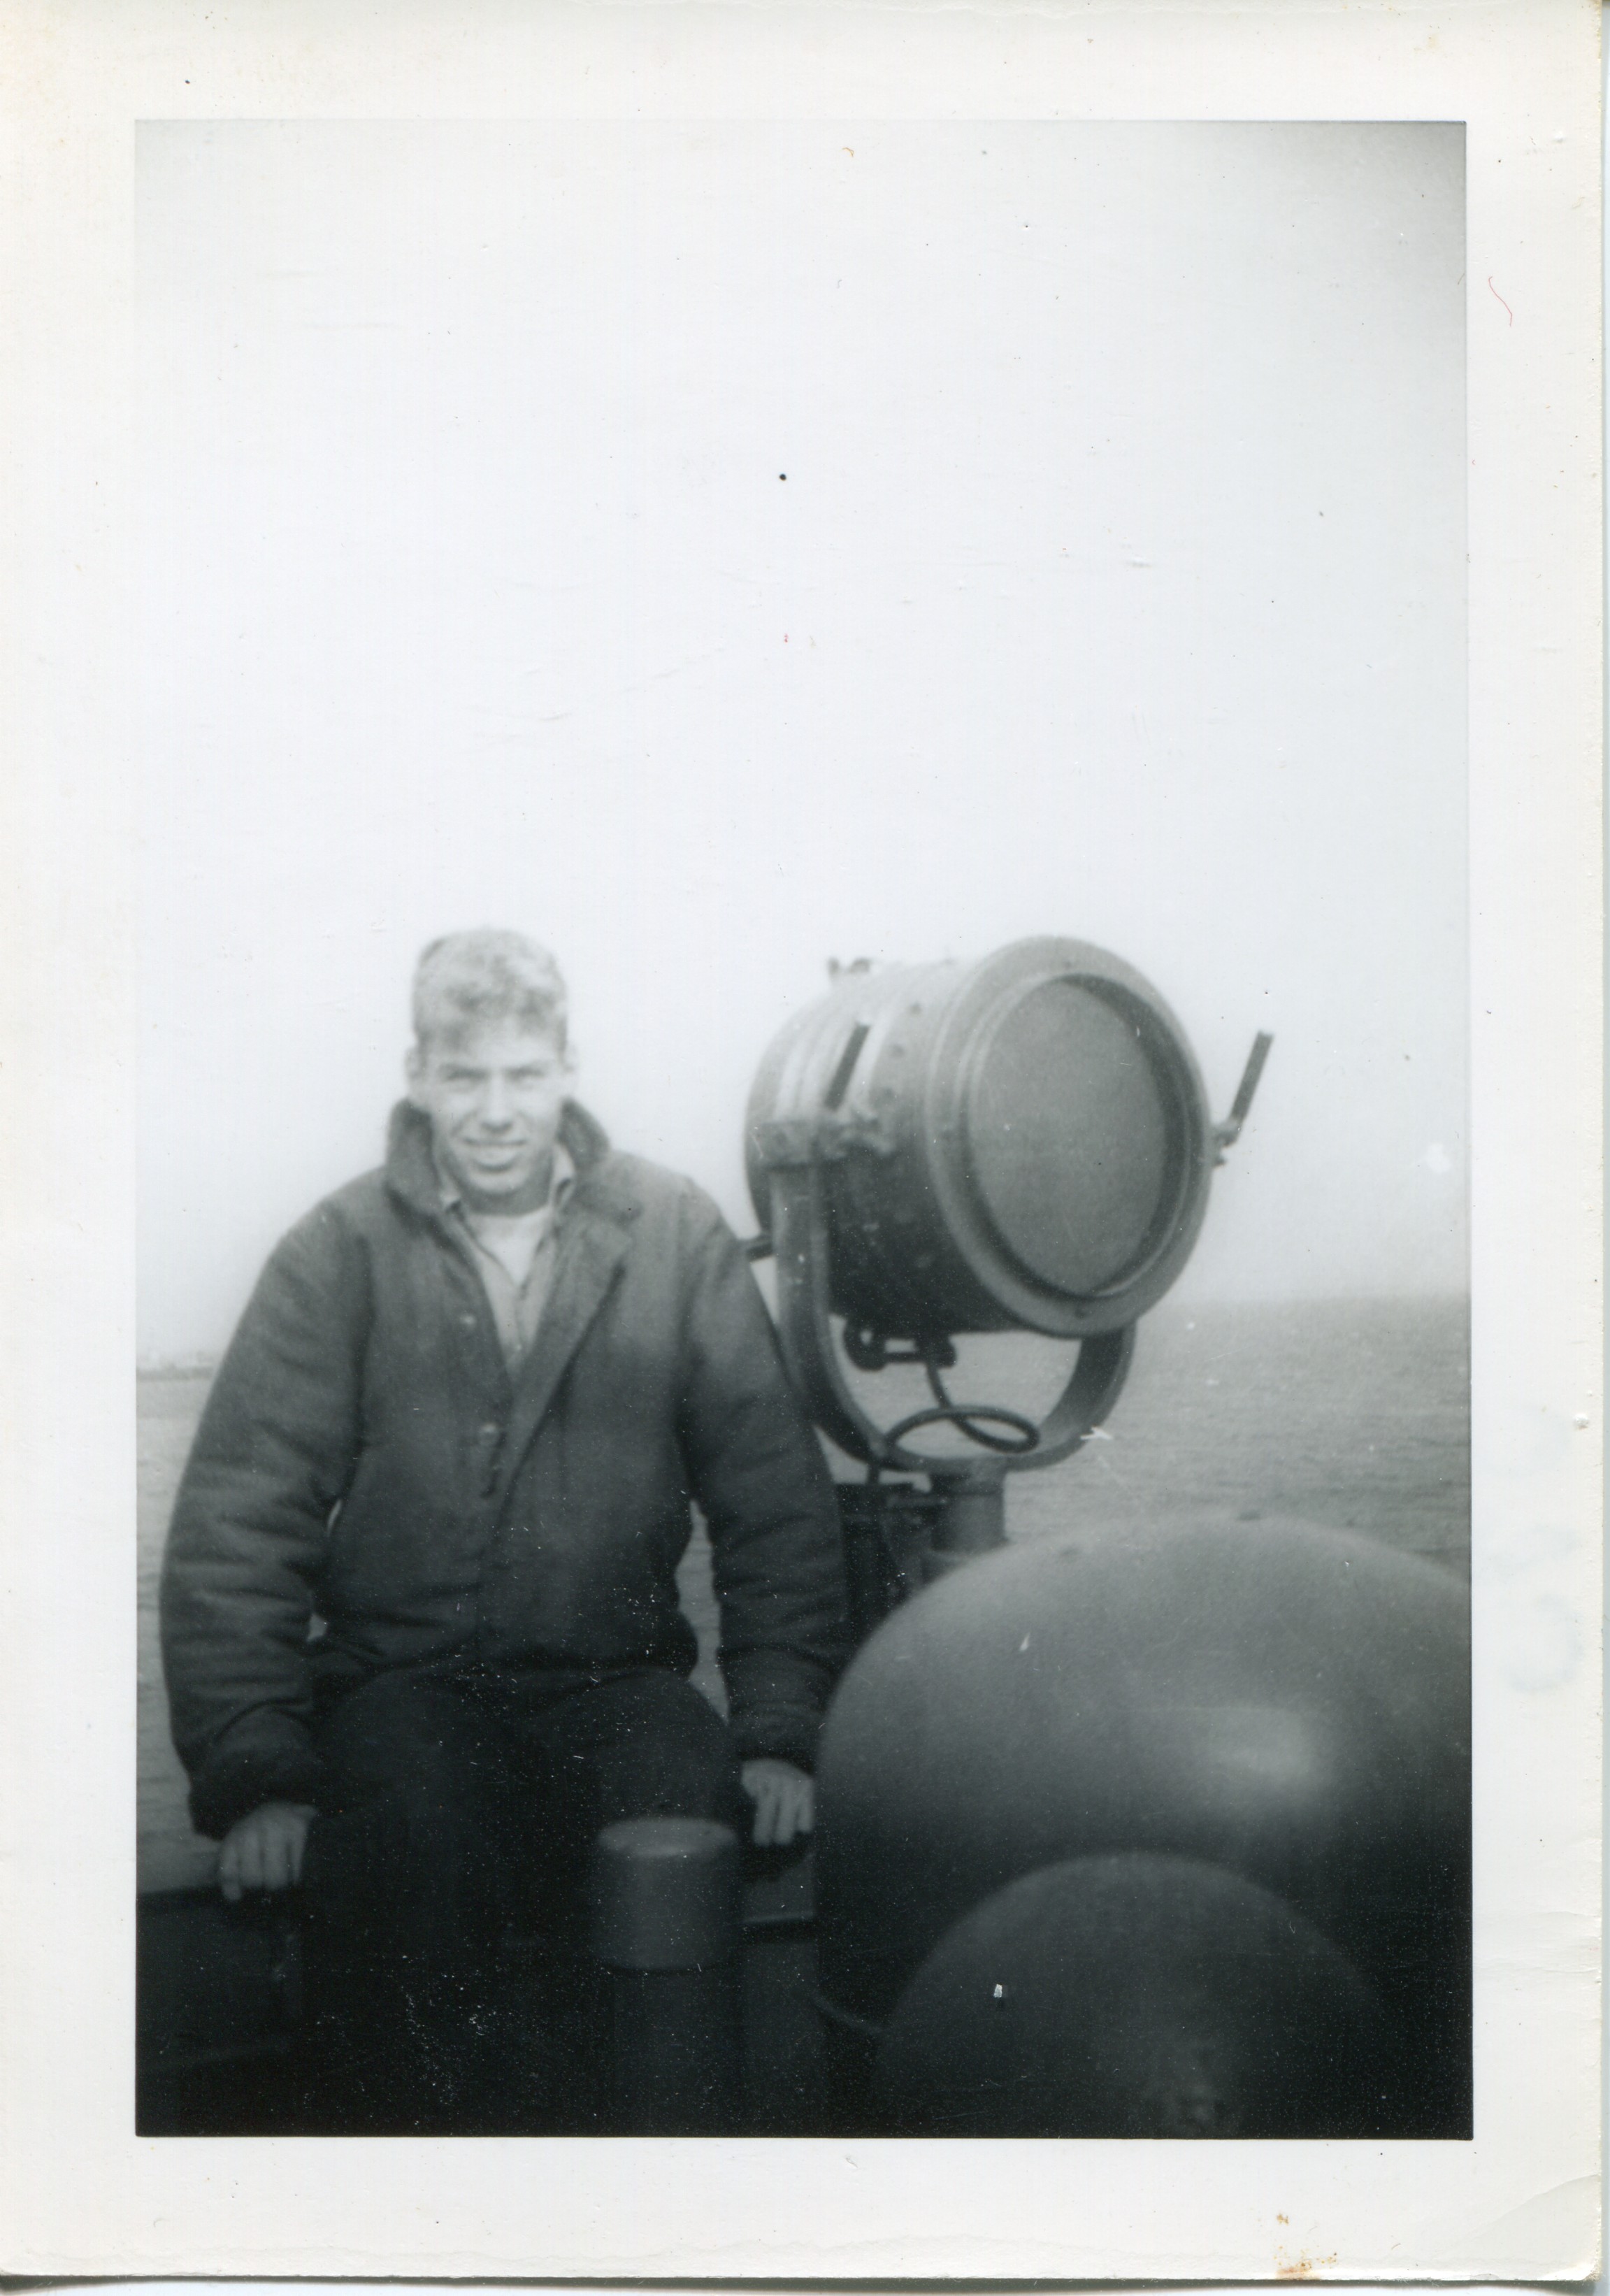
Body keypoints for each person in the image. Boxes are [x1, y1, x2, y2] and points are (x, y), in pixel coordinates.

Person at [160, 930, 848, 2130]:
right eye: (464, 1076)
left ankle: (665, 2181)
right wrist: (258, 1776)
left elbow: (774, 1502)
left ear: (567, 1069)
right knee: (409, 1849)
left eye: (523, 1076)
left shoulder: (671, 1234)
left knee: (682, 1818)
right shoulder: (338, 1253)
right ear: (417, 1076)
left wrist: (780, 1730)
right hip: (402, 1693)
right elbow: (240, 1526)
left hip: (616, 1685)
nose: (494, 1111)